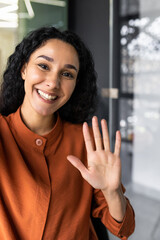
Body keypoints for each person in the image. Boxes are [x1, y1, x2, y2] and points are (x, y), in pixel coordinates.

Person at [0, 26, 135, 240]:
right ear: (24, 69)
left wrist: (112, 192)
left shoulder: (85, 140)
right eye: (43, 66)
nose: (53, 83)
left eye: (67, 74)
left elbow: (124, 228)